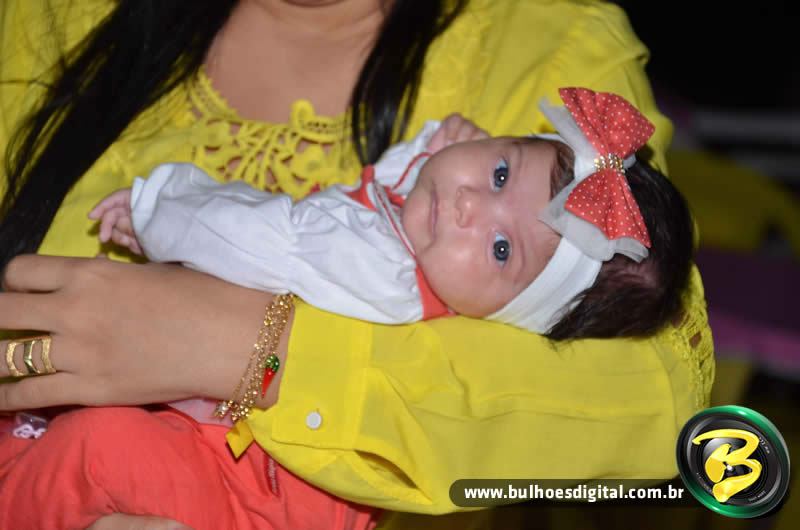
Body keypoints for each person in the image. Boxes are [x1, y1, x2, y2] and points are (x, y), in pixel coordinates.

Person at [0, 0, 714, 528]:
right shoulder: (53, 15)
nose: (472, 205)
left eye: (502, 250)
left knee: (98, 454)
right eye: (498, 172)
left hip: (226, 488)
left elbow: (656, 395)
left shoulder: (544, 44)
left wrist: (255, 347)